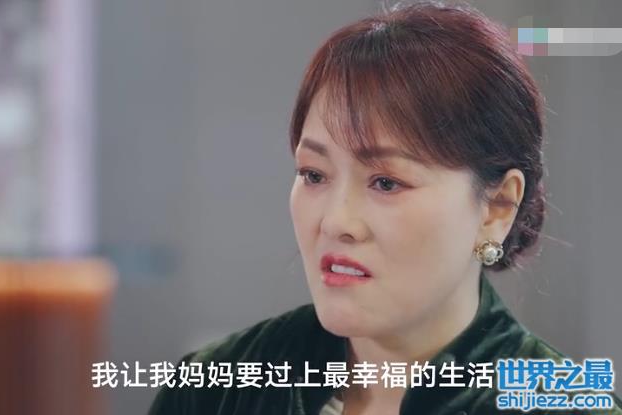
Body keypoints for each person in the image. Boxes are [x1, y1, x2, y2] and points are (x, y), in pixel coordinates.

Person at [149, 2, 622, 414]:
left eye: (386, 182)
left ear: (497, 207)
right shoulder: (215, 387)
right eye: (313, 175)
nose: (336, 222)